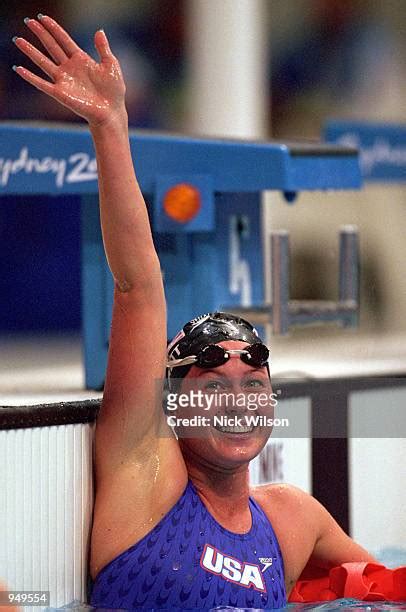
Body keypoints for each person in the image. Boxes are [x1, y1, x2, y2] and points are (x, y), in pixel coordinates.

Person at [13, 15, 376, 609]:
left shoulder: (289, 520)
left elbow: (387, 587)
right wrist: (110, 126)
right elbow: (138, 287)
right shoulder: (146, 477)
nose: (237, 401)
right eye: (213, 385)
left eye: (251, 385)